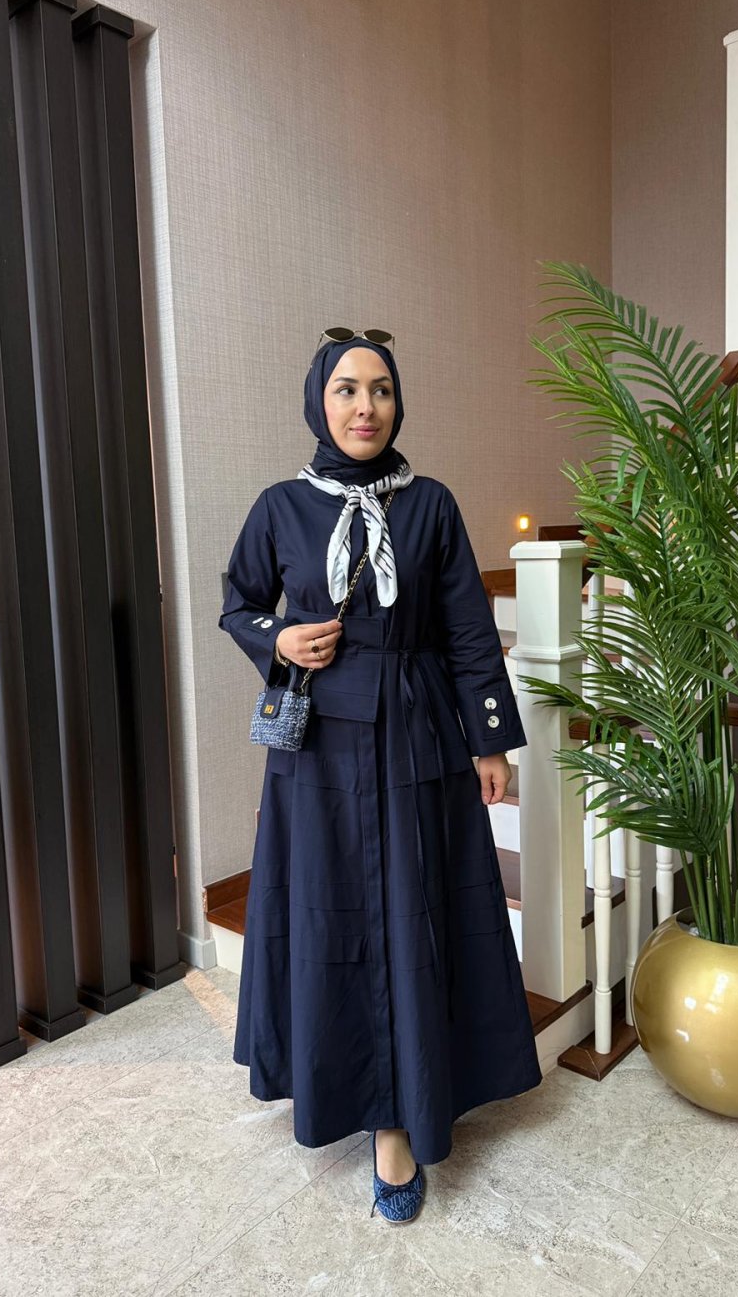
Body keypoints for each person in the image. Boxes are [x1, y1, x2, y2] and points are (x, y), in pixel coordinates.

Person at [218, 330, 543, 1223]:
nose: (366, 406)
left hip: (415, 729)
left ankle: (399, 1116)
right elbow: (238, 604)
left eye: (383, 390)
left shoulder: (430, 503)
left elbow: (468, 628)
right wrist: (280, 638)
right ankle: (336, 1080)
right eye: (348, 389)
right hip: (317, 742)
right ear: (318, 400)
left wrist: (489, 742)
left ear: (399, 404)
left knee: (410, 909)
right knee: (328, 910)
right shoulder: (280, 506)